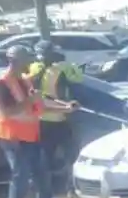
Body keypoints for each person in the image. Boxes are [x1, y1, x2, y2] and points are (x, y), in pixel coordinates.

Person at [0, 45, 51, 198]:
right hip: (13, 139)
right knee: (21, 178)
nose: (30, 63)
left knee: (42, 176)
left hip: (31, 136)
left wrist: (65, 108)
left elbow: (36, 107)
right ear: (16, 61)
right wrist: (30, 101)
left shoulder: (26, 81)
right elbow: (8, 111)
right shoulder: (2, 83)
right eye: (27, 60)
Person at [27, 39, 85, 174]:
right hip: (60, 117)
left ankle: (46, 186)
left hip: (43, 118)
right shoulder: (61, 68)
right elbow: (78, 78)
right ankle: (68, 186)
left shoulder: (34, 67)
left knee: (47, 156)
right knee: (70, 155)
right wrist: (67, 64)